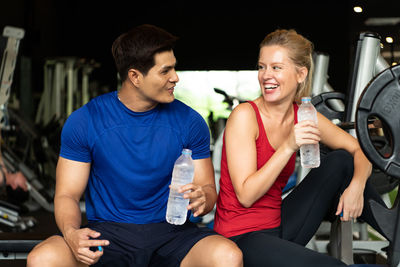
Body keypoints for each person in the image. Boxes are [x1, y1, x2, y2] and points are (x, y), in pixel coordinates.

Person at [27, 24, 242, 267]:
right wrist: (71, 233)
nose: (175, 77)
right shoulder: (86, 121)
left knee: (228, 256)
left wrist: (203, 199)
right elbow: (67, 194)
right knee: (42, 258)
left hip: (172, 233)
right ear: (135, 77)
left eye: (174, 67)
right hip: (108, 235)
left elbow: (207, 191)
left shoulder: (190, 122)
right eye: (165, 71)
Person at [213, 29, 387, 267]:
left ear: (300, 74)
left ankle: (395, 237)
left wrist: (356, 187)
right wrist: (287, 146)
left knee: (341, 161)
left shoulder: (302, 114)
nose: (266, 75)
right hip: (241, 238)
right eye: (262, 67)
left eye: (276, 67)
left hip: (278, 226)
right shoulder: (245, 116)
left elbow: (359, 150)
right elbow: (246, 195)